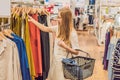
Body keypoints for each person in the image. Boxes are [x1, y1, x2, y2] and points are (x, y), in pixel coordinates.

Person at [28, 7, 80, 80]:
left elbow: (76, 52)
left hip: (64, 65)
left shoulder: (72, 33)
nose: (57, 19)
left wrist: (65, 46)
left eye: (59, 17)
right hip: (55, 63)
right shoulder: (58, 28)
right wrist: (33, 20)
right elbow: (44, 28)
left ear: (66, 19)